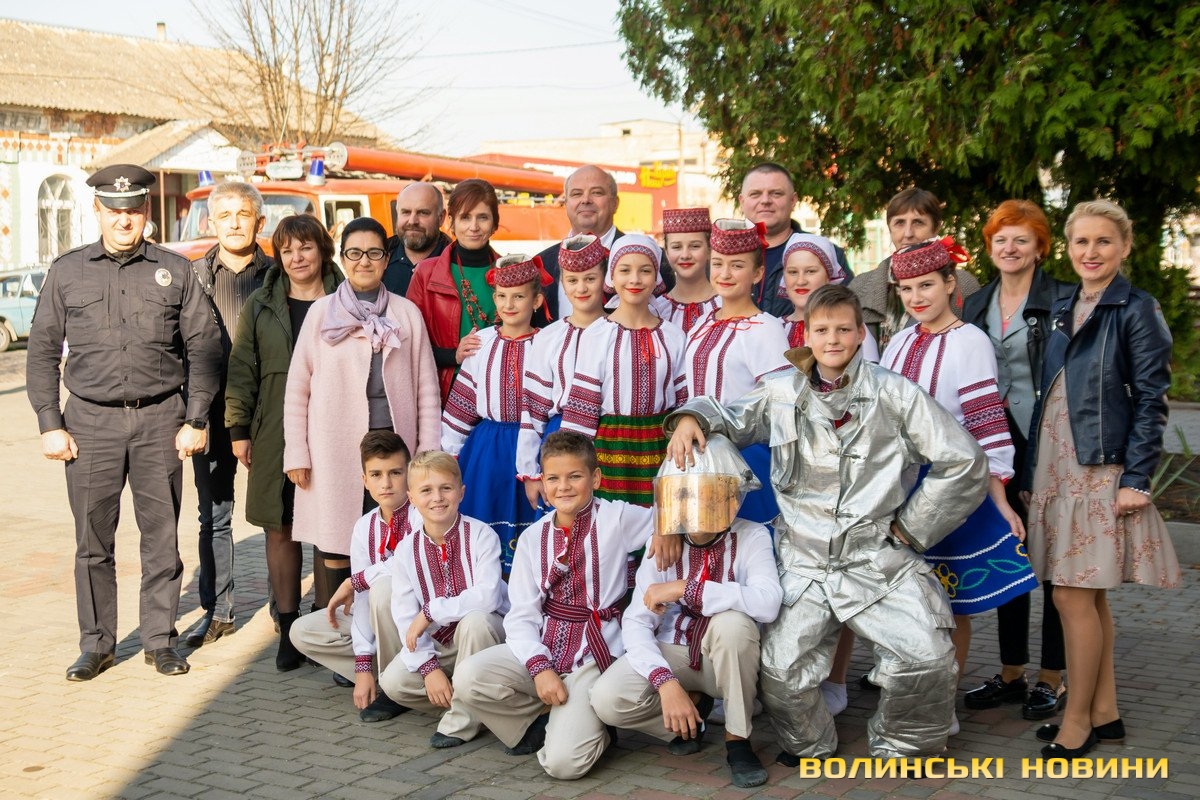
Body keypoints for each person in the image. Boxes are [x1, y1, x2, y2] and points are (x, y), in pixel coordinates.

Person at [664, 284, 988, 762]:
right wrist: (692, 416)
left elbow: (964, 461)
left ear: (860, 334)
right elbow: (731, 418)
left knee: (926, 655)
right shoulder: (781, 391)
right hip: (803, 559)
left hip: (876, 557)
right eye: (821, 330)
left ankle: (909, 747)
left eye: (842, 329)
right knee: (779, 670)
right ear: (806, 335)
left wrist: (911, 528)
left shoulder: (895, 393)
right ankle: (809, 744)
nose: (832, 339)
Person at [26, 164, 221, 680]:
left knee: (161, 537)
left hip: (161, 420)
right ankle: (97, 645)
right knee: (93, 543)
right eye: (114, 211)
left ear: (145, 211)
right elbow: (41, 350)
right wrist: (49, 421)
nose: (124, 220)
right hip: (89, 424)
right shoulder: (67, 272)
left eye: (133, 210)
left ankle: (160, 640)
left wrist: (196, 417)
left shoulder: (175, 270)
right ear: (97, 211)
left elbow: (204, 347)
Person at [1026, 200, 1181, 759]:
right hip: (1056, 464)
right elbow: (1048, 392)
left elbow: (1152, 400)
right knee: (1087, 601)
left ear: (1125, 246)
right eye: (1081, 242)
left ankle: (1077, 722)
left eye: (1103, 242)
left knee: (1071, 596)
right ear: (1068, 247)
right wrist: (1033, 468)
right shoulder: (1062, 305)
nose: (1090, 252)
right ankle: (1105, 711)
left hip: (1100, 468)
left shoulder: (1137, 308)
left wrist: (1137, 477)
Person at [453, 431, 678, 780]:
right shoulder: (533, 538)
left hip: (596, 651)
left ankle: (595, 725)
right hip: (547, 642)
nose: (564, 487)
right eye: (553, 479)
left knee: (563, 765)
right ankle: (536, 722)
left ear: (595, 478)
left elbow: (668, 515)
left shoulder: (615, 518)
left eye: (575, 476)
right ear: (542, 482)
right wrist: (540, 668)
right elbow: (522, 616)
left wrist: (664, 529)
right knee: (469, 676)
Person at [881, 237, 1037, 734]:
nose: (916, 297)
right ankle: (909, 697)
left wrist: (1000, 499)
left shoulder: (970, 341)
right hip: (897, 486)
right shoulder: (899, 341)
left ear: (951, 283)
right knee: (905, 599)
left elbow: (986, 421)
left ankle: (940, 707)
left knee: (947, 604)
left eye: (926, 285)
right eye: (906, 288)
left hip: (947, 486)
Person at [284, 216, 442, 639]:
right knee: (336, 541)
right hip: (334, 448)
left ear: (386, 258)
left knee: (395, 538)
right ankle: (339, 639)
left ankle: (390, 637)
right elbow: (297, 388)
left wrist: (427, 454)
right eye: (354, 253)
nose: (364, 261)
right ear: (342, 258)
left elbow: (427, 388)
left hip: (394, 448)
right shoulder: (321, 314)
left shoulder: (406, 313)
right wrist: (296, 452)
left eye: (374, 252)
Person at [590, 462, 783, 788]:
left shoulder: (752, 535)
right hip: (677, 652)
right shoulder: (666, 541)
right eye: (690, 495)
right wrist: (666, 684)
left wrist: (686, 588)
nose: (700, 504)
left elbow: (768, 602)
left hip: (729, 661)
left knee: (733, 625)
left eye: (713, 495)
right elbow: (636, 622)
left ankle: (738, 739)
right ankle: (692, 716)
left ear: (733, 499)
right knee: (607, 699)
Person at [960, 200, 1073, 720]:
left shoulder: (1062, 302)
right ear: (990, 246)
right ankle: (1011, 671)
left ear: (1039, 248)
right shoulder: (975, 302)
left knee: (1049, 556)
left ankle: (1052, 676)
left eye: (1021, 239)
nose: (1010, 248)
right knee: (1008, 548)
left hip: (1047, 440)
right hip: (991, 441)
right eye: (1001, 239)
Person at [225, 213, 343, 669]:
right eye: (287, 250)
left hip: (334, 424)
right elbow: (242, 367)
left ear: (322, 250)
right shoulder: (261, 303)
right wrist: (239, 429)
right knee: (281, 524)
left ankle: (324, 626)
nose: (297, 257)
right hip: (274, 425)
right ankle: (290, 629)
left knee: (329, 525)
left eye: (305, 247)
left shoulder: (345, 298)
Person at [185, 181, 274, 649]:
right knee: (214, 516)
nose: (235, 223)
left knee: (281, 516)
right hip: (211, 411)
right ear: (210, 222)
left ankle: (285, 612)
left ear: (260, 222)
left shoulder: (280, 274)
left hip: (270, 412)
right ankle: (218, 612)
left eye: (243, 214)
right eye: (225, 215)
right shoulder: (193, 276)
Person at [378, 450, 510, 748]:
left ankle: (461, 721)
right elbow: (405, 617)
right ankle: (479, 705)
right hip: (443, 643)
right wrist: (429, 669)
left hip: (489, 638)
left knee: (476, 621)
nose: (437, 498)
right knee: (393, 682)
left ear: (461, 492)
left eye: (446, 488)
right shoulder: (406, 550)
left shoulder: (482, 535)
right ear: (411, 498)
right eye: (426, 490)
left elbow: (488, 597)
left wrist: (430, 612)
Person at [289, 431, 418, 721]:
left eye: (395, 473)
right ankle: (383, 674)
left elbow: (407, 565)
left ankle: (397, 690)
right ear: (364, 480)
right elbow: (361, 599)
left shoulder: (421, 514)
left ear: (409, 474)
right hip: (380, 619)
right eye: (376, 474)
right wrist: (361, 666)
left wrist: (355, 580)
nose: (386, 483)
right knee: (303, 631)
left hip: (422, 622)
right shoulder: (364, 527)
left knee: (384, 589)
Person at [441, 255, 553, 572]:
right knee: (485, 521)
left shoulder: (549, 343)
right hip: (488, 448)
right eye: (502, 296)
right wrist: (449, 451)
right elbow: (463, 400)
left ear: (536, 300)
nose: (509, 304)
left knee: (530, 523)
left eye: (518, 296)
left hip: (534, 444)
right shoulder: (483, 342)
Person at [560, 235, 687, 505]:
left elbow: (684, 400)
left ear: (656, 277)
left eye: (645, 271)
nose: (635, 280)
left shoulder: (673, 336)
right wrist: (571, 467)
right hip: (610, 448)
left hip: (663, 447)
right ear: (612, 277)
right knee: (612, 522)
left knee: (662, 520)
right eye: (625, 270)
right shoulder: (597, 334)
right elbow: (583, 408)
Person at [683, 219, 791, 526]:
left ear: (757, 273)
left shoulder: (766, 328)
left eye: (737, 265)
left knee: (746, 539)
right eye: (718, 263)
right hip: (699, 455)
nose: (725, 274)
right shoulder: (702, 322)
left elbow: (778, 406)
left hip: (747, 458)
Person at [517, 235, 608, 507]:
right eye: (572, 280)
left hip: (612, 438)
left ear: (605, 278)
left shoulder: (619, 330)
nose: (581, 287)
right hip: (560, 438)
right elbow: (533, 409)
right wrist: (531, 471)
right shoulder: (549, 337)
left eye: (590, 278)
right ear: (562, 283)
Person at [407, 179, 503, 402]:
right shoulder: (425, 273)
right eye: (465, 217)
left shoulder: (511, 272)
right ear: (451, 221)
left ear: (494, 223)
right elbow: (409, 344)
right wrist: (454, 355)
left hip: (498, 388)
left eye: (483, 217)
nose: (474, 227)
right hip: (445, 391)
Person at [848, 187, 980, 348]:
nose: (908, 233)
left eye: (918, 222)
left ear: (936, 228)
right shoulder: (860, 286)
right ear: (889, 228)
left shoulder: (964, 285)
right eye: (899, 223)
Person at [737, 163, 851, 316]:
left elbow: (847, 315)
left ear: (793, 200)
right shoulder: (720, 256)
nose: (765, 200)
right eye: (755, 194)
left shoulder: (827, 253)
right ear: (742, 201)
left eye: (776, 193)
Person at [538, 165, 625, 320]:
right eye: (577, 194)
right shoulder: (540, 265)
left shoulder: (649, 261)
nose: (585, 200)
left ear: (615, 203)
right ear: (566, 203)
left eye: (596, 192)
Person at [778, 232, 880, 362]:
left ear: (828, 276)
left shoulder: (850, 329)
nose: (801, 281)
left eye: (810, 271)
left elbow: (869, 372)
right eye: (793, 272)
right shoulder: (774, 328)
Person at [382, 182, 450, 297]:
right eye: (406, 212)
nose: (412, 221)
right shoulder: (377, 261)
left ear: (441, 217)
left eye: (423, 213)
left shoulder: (457, 265)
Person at [659, 207, 719, 331]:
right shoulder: (657, 310)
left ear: (710, 249)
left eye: (695, 246)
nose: (685, 255)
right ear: (667, 252)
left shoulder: (725, 306)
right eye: (677, 247)